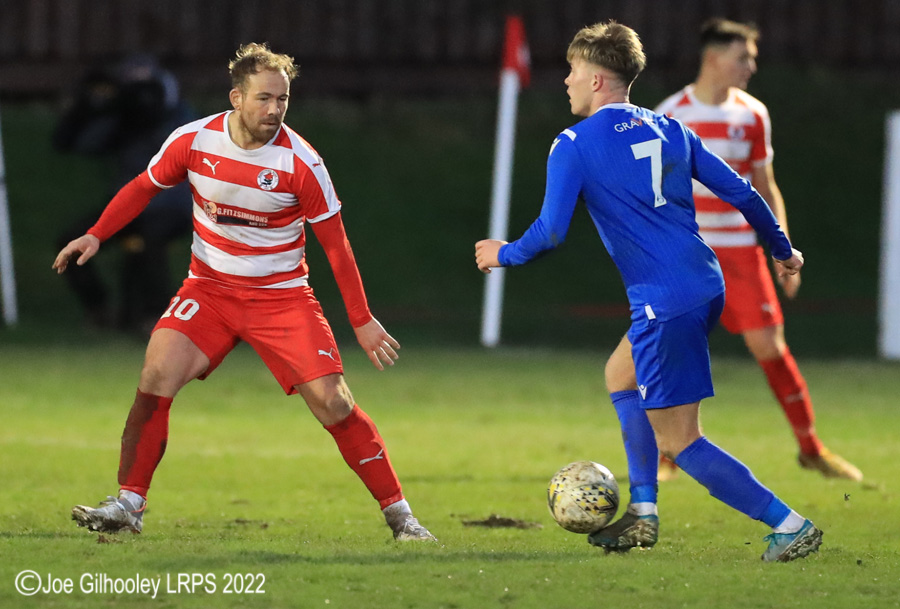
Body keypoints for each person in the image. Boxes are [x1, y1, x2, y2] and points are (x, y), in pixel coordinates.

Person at [53, 43, 435, 542]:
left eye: (283, 99)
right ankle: (129, 503)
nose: (274, 110)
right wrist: (97, 234)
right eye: (263, 98)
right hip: (209, 290)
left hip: (282, 297)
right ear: (236, 97)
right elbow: (143, 186)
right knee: (155, 376)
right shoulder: (194, 140)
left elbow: (337, 246)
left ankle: (401, 517)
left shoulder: (302, 163)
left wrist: (361, 319)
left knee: (334, 402)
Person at [475, 21, 821, 561]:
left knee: (680, 442)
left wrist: (503, 252)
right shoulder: (670, 128)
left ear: (596, 79)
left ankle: (788, 524)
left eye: (572, 71)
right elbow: (744, 192)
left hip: (666, 299)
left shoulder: (573, 144)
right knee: (620, 374)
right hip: (705, 283)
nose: (565, 81)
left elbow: (550, 233)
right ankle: (642, 512)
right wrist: (782, 249)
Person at [653, 18, 862, 482]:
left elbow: (766, 186)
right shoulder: (671, 114)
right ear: (713, 58)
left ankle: (812, 449)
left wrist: (781, 246)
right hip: (690, 255)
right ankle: (668, 455)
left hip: (742, 254)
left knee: (769, 345)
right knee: (677, 349)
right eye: (742, 57)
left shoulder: (752, 114)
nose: (751, 66)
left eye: (752, 58)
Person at [54, 54, 195, 334]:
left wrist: (137, 105)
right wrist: (91, 108)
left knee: (149, 240)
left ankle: (157, 317)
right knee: (72, 244)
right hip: (129, 207)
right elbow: (79, 143)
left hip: (171, 205)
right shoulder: (123, 120)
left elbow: (177, 140)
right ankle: (100, 310)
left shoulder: (179, 117)